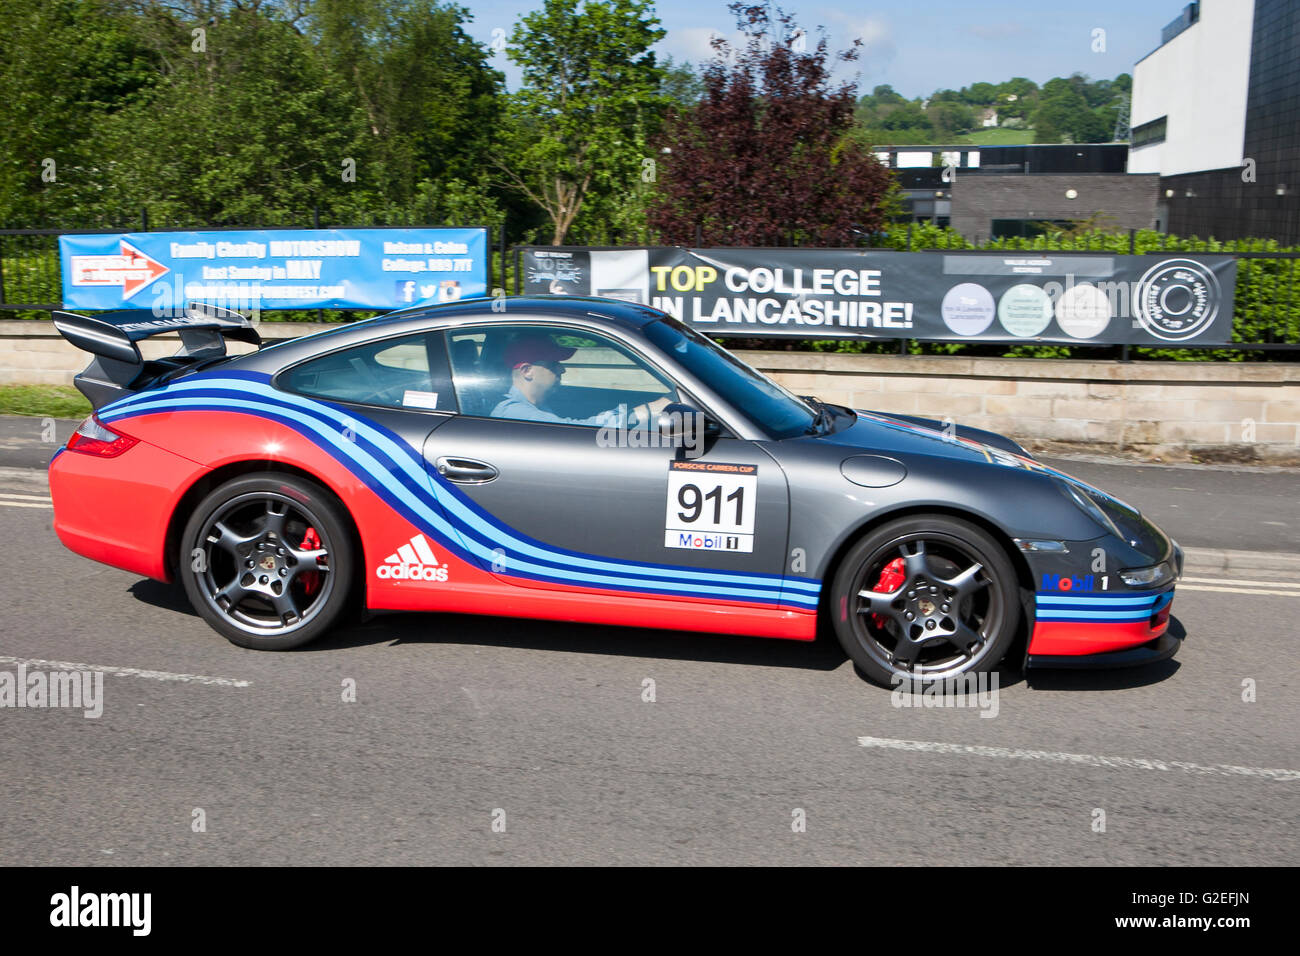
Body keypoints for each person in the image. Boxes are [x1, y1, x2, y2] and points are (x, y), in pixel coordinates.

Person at [490, 332, 671, 427]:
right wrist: (649, 409)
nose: (562, 369)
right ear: (527, 371)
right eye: (554, 364)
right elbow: (581, 431)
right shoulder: (514, 415)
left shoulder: (536, 406)